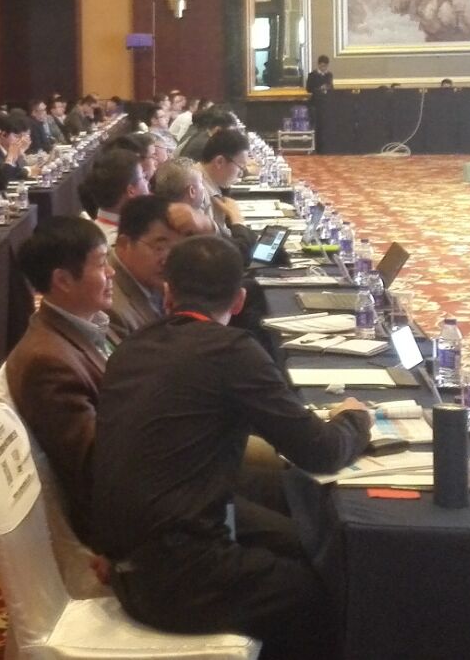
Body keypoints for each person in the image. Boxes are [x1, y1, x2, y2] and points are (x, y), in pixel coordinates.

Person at [88, 236, 371, 659]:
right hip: (177, 581)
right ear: (238, 301)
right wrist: (355, 419)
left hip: (129, 558)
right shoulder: (232, 352)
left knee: (308, 543)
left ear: (168, 293)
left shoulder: (132, 347)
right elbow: (321, 452)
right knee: (323, 590)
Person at [5, 216, 113, 543]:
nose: (111, 273)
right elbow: (96, 465)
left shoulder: (85, 327)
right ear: (63, 280)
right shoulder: (48, 362)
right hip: (120, 519)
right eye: (102, 264)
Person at [107, 195, 178, 344]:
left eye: (176, 249)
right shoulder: (111, 308)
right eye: (159, 247)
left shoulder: (161, 282)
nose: (168, 260)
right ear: (124, 244)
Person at [79, 148, 148, 242]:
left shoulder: (101, 228)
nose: (146, 182)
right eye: (143, 177)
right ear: (131, 191)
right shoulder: (121, 243)